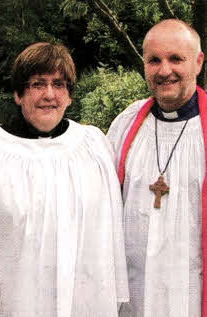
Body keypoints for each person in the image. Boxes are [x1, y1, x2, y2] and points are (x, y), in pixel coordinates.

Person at [0, 42, 129, 316]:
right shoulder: (1, 152)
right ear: (18, 94)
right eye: (37, 84)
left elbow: (112, 233)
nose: (49, 95)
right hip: (20, 302)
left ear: (69, 95)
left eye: (59, 84)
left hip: (86, 301)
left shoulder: (93, 147)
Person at [107, 19, 207, 316]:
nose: (165, 71)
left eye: (176, 58)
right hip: (133, 295)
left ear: (198, 62)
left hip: (190, 295)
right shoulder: (126, 125)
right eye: (154, 60)